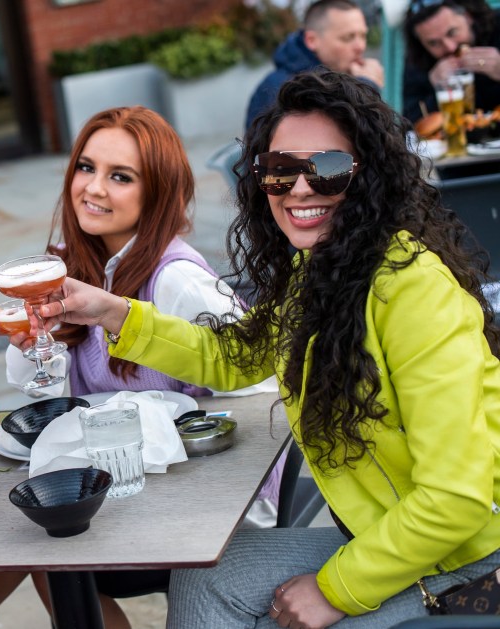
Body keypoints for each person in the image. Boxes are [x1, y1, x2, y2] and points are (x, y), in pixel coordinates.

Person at [38, 69, 500, 628]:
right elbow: (231, 357)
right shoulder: (321, 270)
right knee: (206, 576)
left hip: (470, 558)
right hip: (389, 531)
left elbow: (457, 502)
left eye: (327, 169)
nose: (299, 189)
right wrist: (112, 311)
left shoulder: (412, 290)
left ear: (368, 177)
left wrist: (336, 590)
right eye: (279, 171)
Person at [0, 106, 277, 629]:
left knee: (45, 542)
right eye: (86, 168)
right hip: (132, 472)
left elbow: (261, 390)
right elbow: (45, 393)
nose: (93, 188)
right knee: (33, 518)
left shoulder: (177, 280)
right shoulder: (73, 264)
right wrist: (33, 343)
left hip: (211, 499)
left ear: (157, 194)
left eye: (120, 177)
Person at [245, 0, 384, 128]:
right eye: (348, 37)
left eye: (363, 36)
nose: (360, 46)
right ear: (311, 40)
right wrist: (366, 89)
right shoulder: (279, 89)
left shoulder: (342, 76)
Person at [403, 0, 500, 123]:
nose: (450, 47)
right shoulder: (418, 59)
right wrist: (437, 90)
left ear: (467, 17)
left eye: (452, 33)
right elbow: (411, 121)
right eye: (434, 43)